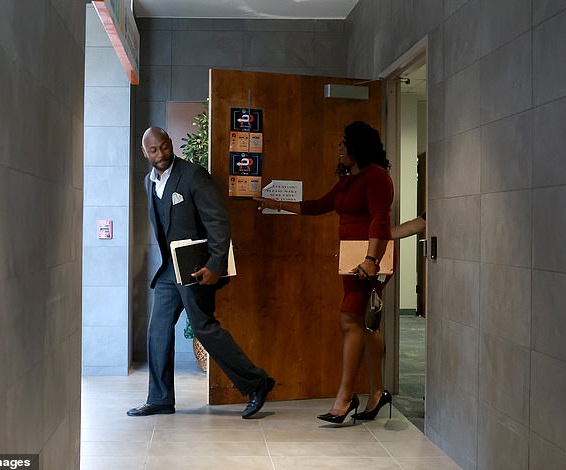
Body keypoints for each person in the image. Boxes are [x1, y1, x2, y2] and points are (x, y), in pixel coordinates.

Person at [127, 127, 275, 419]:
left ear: (171, 144)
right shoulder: (149, 182)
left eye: (164, 147)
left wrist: (216, 265)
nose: (160, 154)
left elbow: (218, 222)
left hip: (197, 269)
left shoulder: (194, 175)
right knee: (157, 330)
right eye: (153, 150)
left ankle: (257, 382)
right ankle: (160, 398)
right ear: (145, 153)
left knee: (205, 329)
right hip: (170, 269)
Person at [255, 121, 394, 423]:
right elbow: (318, 205)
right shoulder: (348, 180)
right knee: (367, 326)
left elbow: (381, 220)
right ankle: (378, 392)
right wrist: (276, 204)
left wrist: (372, 259)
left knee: (350, 320)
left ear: (358, 146)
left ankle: (345, 398)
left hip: (369, 261)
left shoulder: (377, 177)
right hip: (351, 261)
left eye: (345, 143)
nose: (340, 148)